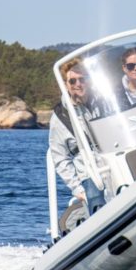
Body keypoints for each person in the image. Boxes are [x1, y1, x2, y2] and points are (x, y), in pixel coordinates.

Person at [48, 58, 106, 216]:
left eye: (82, 79)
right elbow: (59, 157)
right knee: (96, 201)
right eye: (72, 81)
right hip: (89, 174)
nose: (78, 84)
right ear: (65, 85)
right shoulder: (60, 117)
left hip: (112, 162)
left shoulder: (102, 102)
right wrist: (77, 188)